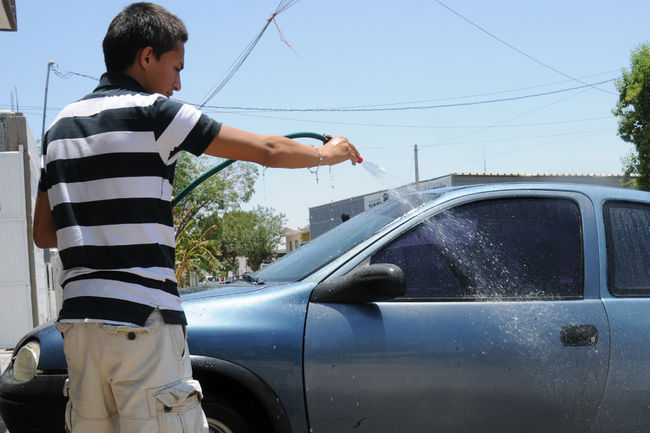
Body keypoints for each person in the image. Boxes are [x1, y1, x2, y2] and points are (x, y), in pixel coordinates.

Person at [32, 3, 359, 432]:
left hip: (79, 328)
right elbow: (268, 150)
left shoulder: (59, 128)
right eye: (175, 67)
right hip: (142, 325)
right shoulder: (155, 113)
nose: (177, 83)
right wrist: (327, 153)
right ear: (146, 57)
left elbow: (43, 232)